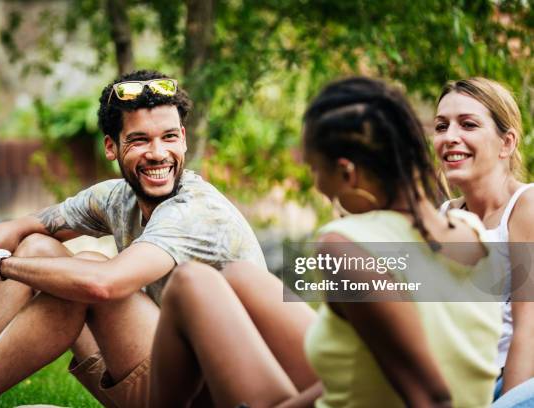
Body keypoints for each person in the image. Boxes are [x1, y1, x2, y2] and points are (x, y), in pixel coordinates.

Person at [0, 69, 318, 408]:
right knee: (38, 247)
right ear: (111, 147)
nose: (158, 153)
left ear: (183, 139)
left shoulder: (194, 210)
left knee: (85, 275)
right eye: (139, 140)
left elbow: (104, 285)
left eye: (169, 137)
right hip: (155, 370)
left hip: (208, 390)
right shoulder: (116, 197)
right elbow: (22, 226)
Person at [147, 77, 502, 407]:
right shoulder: (470, 230)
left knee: (191, 282)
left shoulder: (347, 246)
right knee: (240, 275)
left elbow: (431, 395)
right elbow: (388, 359)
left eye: (317, 170)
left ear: (347, 173)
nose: (317, 187)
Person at [434, 77, 534, 405]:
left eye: (468, 124)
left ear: (506, 143)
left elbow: (529, 329)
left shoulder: (525, 207)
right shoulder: (444, 216)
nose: (450, 137)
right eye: (441, 126)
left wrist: (507, 402)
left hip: (516, 385)